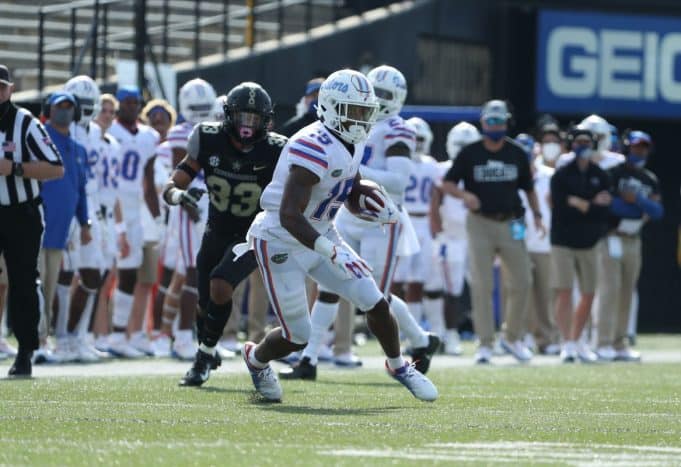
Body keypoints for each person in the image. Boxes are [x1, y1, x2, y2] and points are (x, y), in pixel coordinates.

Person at [244, 69, 437, 402]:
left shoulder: (352, 139)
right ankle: (257, 360)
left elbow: (349, 186)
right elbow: (290, 214)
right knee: (298, 336)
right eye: (354, 111)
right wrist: (330, 250)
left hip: (321, 232)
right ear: (331, 107)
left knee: (374, 300)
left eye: (365, 111)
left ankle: (398, 365)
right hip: (279, 238)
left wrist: (371, 203)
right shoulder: (311, 146)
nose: (361, 119)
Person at [163, 82, 283, 386]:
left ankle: (202, 359)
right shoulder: (207, 137)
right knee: (205, 306)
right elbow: (172, 184)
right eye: (243, 117)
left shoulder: (277, 150)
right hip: (216, 230)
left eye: (255, 119)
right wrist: (179, 196)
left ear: (266, 120)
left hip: (253, 233)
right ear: (228, 115)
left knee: (220, 285)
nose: (248, 126)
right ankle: (210, 347)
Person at [440, 100, 544, 364]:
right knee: (482, 283)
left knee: (523, 279)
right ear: (483, 123)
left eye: (499, 121)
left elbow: (529, 188)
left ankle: (512, 337)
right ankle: (485, 343)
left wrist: (539, 215)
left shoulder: (517, 153)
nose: (494, 126)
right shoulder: (470, 153)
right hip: (480, 222)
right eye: (490, 121)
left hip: (512, 221)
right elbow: (447, 183)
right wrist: (465, 195)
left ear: (506, 122)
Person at [0, 64, 64, 376]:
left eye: (0, 87)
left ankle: (25, 350)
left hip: (21, 212)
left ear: (10, 89)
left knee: (23, 281)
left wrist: (14, 168)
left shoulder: (25, 122)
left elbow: (56, 167)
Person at [595, 131, 663, 361]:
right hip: (612, 237)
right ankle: (602, 342)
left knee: (626, 293)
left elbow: (657, 212)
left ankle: (619, 343)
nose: (640, 152)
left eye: (643, 148)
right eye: (636, 147)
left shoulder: (649, 179)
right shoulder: (613, 174)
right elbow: (609, 206)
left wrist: (637, 201)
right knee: (609, 291)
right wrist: (635, 207)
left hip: (634, 239)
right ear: (626, 148)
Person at [161, 79, 216, 360]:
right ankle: (180, 336)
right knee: (192, 271)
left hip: (209, 203)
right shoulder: (180, 133)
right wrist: (184, 199)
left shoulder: (211, 131)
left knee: (200, 271)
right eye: (196, 107)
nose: (201, 112)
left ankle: (188, 334)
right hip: (188, 204)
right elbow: (176, 176)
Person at [106, 86, 161, 357]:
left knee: (129, 274)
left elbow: (150, 182)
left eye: (134, 102)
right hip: (110, 206)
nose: (130, 106)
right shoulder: (109, 131)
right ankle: (97, 334)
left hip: (135, 210)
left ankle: (119, 336)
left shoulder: (148, 137)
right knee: (99, 271)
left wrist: (158, 218)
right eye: (126, 102)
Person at [550, 127, 612, 363]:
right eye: (579, 142)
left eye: (587, 141)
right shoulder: (562, 175)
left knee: (588, 293)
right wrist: (589, 204)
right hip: (563, 241)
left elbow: (604, 208)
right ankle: (566, 343)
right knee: (564, 292)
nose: (583, 146)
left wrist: (580, 203)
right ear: (571, 145)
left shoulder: (600, 174)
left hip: (589, 242)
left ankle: (577, 340)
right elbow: (561, 206)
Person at [38, 91, 92, 364]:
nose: (65, 111)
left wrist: (85, 222)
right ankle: (32, 339)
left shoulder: (77, 148)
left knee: (48, 287)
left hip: (61, 229)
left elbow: (80, 191)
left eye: (70, 107)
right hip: (36, 224)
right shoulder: (39, 138)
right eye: (60, 106)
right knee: (33, 285)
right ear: (50, 109)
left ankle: (43, 339)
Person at [58, 75, 107, 362]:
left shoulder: (95, 133)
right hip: (70, 206)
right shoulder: (64, 131)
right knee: (64, 273)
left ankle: (78, 335)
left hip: (93, 206)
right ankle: (61, 338)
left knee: (93, 273)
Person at [430, 122, 481, 356]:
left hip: (478, 234)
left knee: (482, 288)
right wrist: (436, 226)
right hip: (451, 236)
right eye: (460, 145)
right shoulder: (441, 169)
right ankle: (449, 335)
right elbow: (435, 197)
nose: (463, 150)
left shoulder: (480, 168)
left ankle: (484, 335)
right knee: (452, 290)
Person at [392, 117, 444, 339]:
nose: (418, 142)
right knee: (396, 278)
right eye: (414, 138)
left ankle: (411, 328)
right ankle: (393, 326)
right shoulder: (398, 161)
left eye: (421, 138)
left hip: (423, 222)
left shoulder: (431, 164)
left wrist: (435, 219)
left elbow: (435, 193)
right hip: (404, 219)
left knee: (418, 280)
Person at [515, 133, 560, 355]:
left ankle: (547, 338)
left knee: (545, 294)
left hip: (544, 242)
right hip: (518, 242)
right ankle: (518, 337)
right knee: (516, 292)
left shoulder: (550, 175)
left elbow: (556, 207)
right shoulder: (511, 175)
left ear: (536, 151)